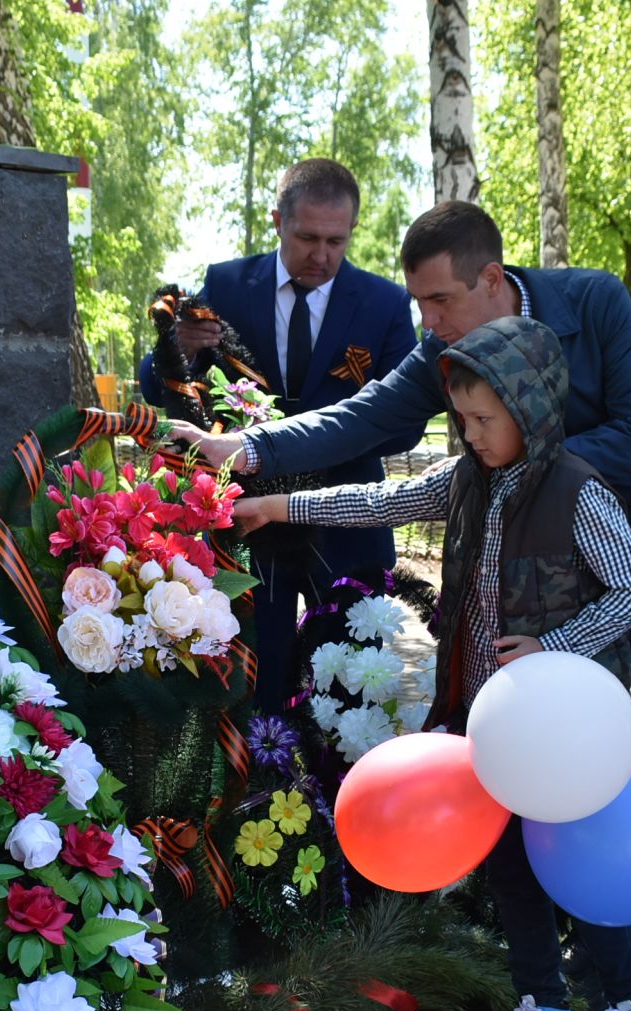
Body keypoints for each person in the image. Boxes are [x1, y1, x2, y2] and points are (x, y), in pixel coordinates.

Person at [173, 201, 631, 970]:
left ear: (491, 279)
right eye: (419, 304)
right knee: (574, 735)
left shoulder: (593, 300)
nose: (430, 322)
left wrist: (516, 459)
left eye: (440, 301)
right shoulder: (450, 347)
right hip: (564, 569)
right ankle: (579, 922)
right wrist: (245, 450)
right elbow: (369, 413)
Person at [233, 314, 631, 1011]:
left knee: (580, 860)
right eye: (462, 419)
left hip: (562, 729)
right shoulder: (468, 480)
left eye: (485, 419)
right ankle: (546, 1010)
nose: (470, 435)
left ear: (531, 411)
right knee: (506, 865)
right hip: (487, 720)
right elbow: (384, 501)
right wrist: (281, 508)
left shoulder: (578, 493)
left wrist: (556, 645)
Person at [139, 158, 416, 710]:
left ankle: (340, 794)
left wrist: (320, 452)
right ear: (277, 222)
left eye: (337, 240)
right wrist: (185, 347)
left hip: (347, 516)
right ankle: (256, 789)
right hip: (243, 523)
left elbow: (406, 421)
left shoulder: (385, 303)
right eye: (307, 236)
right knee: (246, 679)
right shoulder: (225, 284)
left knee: (351, 687)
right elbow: (155, 384)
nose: (321, 255)